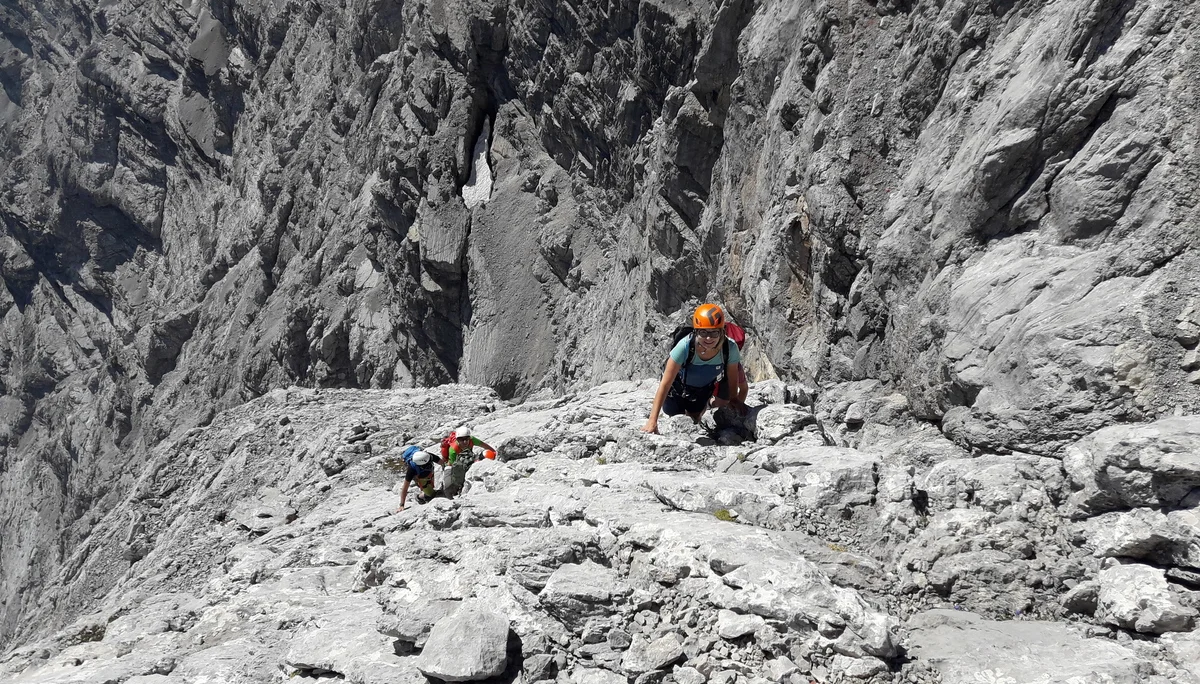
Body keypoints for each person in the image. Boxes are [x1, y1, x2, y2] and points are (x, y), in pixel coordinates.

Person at [641, 303, 748, 434]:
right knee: (673, 414)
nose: (708, 338)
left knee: (694, 419)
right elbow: (665, 384)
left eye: (714, 333)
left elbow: (732, 376)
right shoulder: (685, 346)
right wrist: (652, 421)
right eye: (703, 332)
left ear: (721, 332)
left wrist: (734, 399)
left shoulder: (730, 348)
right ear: (696, 331)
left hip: (702, 392)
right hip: (677, 391)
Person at [440, 426, 496, 498]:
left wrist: (494, 452)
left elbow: (485, 446)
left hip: (468, 457)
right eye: (461, 439)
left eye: (467, 439)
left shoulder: (472, 440)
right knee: (448, 486)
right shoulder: (453, 449)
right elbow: (455, 466)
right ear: (457, 440)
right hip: (452, 464)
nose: (465, 442)